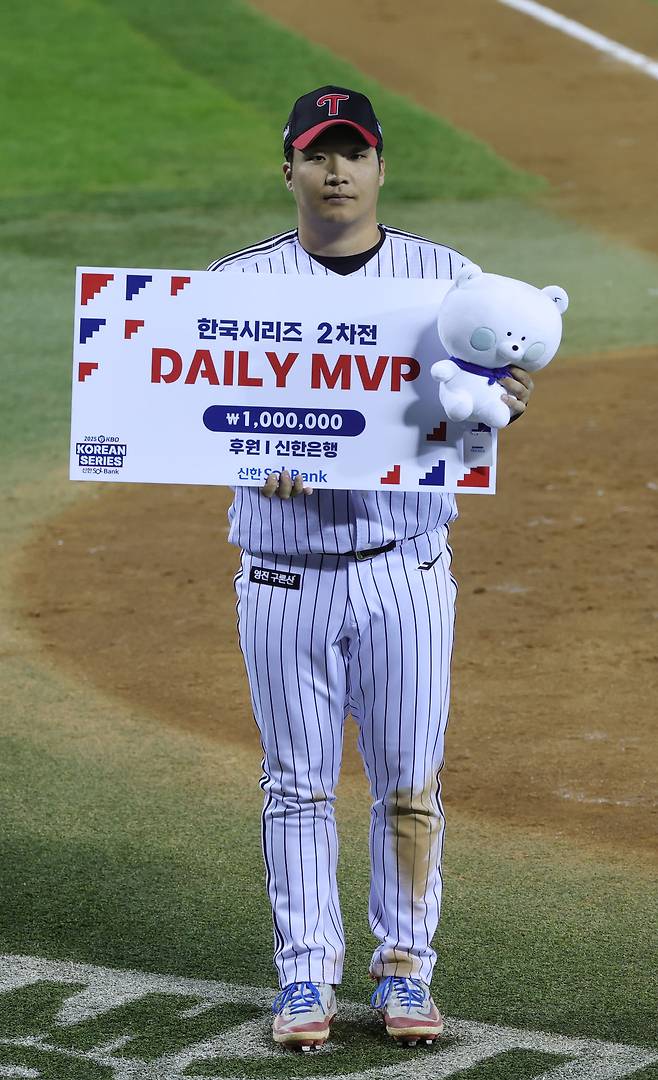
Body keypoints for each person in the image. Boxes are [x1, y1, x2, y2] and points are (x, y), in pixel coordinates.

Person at [207, 86, 533, 1052]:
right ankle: (304, 978)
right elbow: (180, 411)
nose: (336, 171)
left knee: (408, 783)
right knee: (297, 785)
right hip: (281, 574)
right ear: (290, 171)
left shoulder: (450, 283)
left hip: (405, 570)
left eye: (353, 154)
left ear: (382, 166)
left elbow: (490, 396)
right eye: (318, 155)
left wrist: (506, 402)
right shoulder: (235, 285)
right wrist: (243, 448)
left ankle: (404, 973)